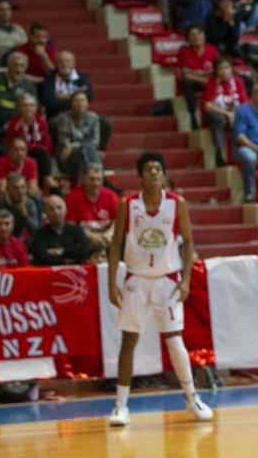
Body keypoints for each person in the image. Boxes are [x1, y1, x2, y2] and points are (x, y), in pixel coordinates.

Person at [107, 152, 212, 426]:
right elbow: (115, 244)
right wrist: (111, 283)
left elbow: (188, 243)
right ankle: (120, 406)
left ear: (164, 175)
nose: (154, 173)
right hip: (136, 279)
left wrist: (186, 279)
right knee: (129, 341)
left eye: (158, 169)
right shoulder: (127, 205)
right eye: (149, 169)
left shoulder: (177, 204)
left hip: (167, 279)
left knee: (175, 340)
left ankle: (192, 398)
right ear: (140, 175)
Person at [202, 58, 249, 167]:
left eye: (227, 67)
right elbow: (207, 106)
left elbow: (244, 103)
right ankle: (219, 153)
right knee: (218, 119)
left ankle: (238, 156)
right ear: (216, 71)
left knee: (242, 118)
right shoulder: (212, 82)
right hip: (216, 114)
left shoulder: (238, 81)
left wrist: (235, 113)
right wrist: (226, 113)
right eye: (220, 68)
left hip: (234, 113)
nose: (224, 71)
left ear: (231, 69)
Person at [66, 164, 120, 250]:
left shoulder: (111, 196)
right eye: (92, 179)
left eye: (99, 179)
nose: (96, 183)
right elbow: (71, 225)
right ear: (83, 179)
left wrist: (108, 234)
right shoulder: (72, 197)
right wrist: (93, 237)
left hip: (107, 240)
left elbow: (118, 221)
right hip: (84, 241)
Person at [54, 90, 102, 182]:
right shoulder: (63, 118)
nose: (80, 103)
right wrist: (75, 146)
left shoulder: (93, 118)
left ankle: (88, 180)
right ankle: (97, 178)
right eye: (77, 100)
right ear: (71, 104)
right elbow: (64, 140)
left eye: (83, 100)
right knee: (88, 151)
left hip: (85, 152)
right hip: (68, 156)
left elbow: (95, 142)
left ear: (88, 103)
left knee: (87, 150)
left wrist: (73, 146)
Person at [177, 26, 218, 130]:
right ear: (188, 38)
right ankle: (193, 115)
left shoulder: (212, 49)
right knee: (187, 84)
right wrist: (205, 77)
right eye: (193, 35)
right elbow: (185, 74)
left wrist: (196, 73)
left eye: (199, 34)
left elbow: (217, 71)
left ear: (204, 36)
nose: (196, 37)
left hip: (209, 82)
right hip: (195, 83)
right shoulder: (184, 51)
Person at [31, 195, 91, 266]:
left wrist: (58, 252)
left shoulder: (77, 230)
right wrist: (68, 256)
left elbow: (83, 252)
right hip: (49, 274)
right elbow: (41, 258)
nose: (56, 212)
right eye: (51, 209)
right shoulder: (39, 234)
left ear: (66, 210)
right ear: (46, 213)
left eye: (59, 208)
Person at [0, 172, 40, 240]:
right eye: (15, 188)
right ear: (8, 189)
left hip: (18, 241)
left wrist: (25, 215)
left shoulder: (29, 203)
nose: (20, 191)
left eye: (23, 187)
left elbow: (36, 232)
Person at [42, 50, 94, 118]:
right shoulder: (49, 80)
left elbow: (89, 97)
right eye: (61, 62)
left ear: (74, 63)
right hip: (57, 115)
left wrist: (61, 97)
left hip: (80, 115)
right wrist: (76, 95)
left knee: (102, 121)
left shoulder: (82, 78)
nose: (64, 64)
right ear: (56, 64)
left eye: (68, 61)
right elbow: (51, 104)